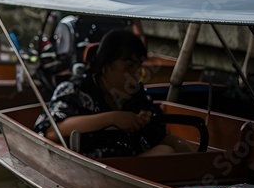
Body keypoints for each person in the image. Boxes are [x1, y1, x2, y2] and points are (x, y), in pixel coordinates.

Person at [34, 29, 196, 159]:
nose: (135, 74)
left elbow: (156, 134)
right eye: (129, 67)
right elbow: (52, 131)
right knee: (164, 152)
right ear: (105, 65)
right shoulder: (74, 89)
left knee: (177, 146)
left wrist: (147, 119)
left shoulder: (135, 94)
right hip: (93, 167)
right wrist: (113, 118)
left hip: (130, 162)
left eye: (138, 67)